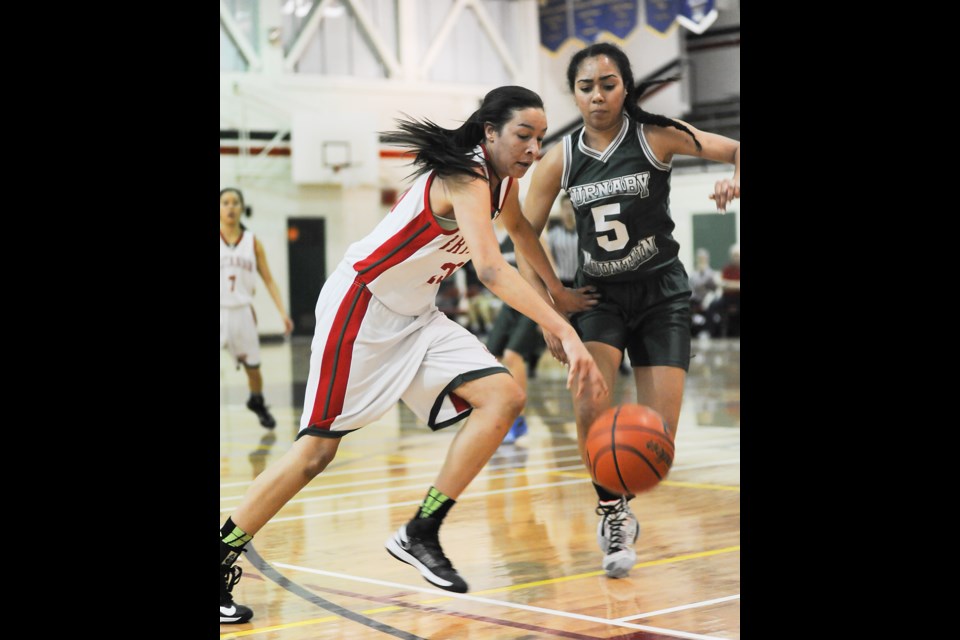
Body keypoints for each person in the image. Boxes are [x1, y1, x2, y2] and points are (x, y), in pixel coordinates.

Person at [218, 86, 608, 624]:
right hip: (362, 306)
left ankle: (421, 529)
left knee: (504, 396)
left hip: (417, 315)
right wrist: (563, 329)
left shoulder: (500, 183)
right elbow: (492, 269)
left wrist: (556, 292)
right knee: (315, 454)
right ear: (490, 132)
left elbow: (520, 231)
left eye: (541, 138)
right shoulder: (466, 176)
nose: (534, 150)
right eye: (524, 135)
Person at [519, 42, 740, 579]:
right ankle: (612, 512)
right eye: (586, 86)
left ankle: (626, 497)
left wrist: (736, 177)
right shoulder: (561, 157)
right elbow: (521, 233)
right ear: (573, 93)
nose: (597, 96)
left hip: (662, 292)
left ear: (626, 87)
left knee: (657, 436)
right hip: (599, 297)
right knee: (589, 402)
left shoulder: (657, 134)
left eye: (608, 84)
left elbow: (736, 149)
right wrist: (551, 306)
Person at [220, 187, 294, 429]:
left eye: (235, 202)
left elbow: (269, 280)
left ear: (242, 208)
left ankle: (257, 400)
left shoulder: (253, 242)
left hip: (242, 312)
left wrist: (283, 313)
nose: (230, 207)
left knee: (253, 370)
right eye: (225, 202)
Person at [689, 247, 719, 336]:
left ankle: (708, 330)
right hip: (695, 300)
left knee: (712, 305)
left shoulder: (711, 273)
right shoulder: (693, 274)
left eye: (704, 258)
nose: (702, 260)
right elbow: (692, 288)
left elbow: (714, 288)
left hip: (707, 300)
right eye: (700, 258)